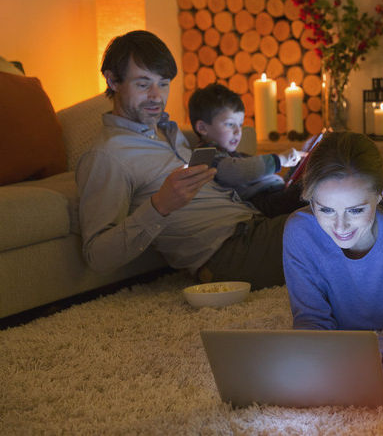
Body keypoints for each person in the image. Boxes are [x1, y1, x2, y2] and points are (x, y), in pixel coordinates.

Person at [77, 30, 291, 289]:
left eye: (164, 83)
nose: (157, 96)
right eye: (143, 84)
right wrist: (160, 205)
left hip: (255, 223)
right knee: (328, 228)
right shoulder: (107, 156)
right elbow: (97, 256)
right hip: (228, 253)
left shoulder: (167, 131)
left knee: (335, 187)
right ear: (112, 81)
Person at [282, 131, 383, 365]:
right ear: (310, 199)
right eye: (325, 210)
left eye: (355, 210)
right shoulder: (299, 231)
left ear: (380, 193)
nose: (340, 226)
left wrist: (381, 351)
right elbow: (311, 320)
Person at [187, 83, 306, 216]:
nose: (238, 131)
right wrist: (279, 160)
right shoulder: (208, 156)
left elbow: (260, 173)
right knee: (308, 193)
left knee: (308, 182)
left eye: (240, 124)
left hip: (275, 192)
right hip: (263, 201)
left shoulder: (232, 154)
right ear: (202, 128)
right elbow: (238, 171)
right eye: (230, 124)